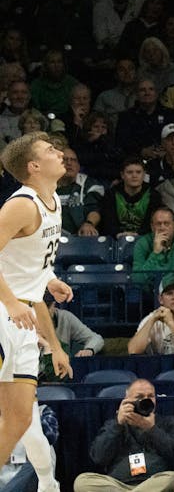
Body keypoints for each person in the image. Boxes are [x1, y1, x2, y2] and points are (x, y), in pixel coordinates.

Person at [0, 132, 74, 473]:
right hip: (6, 310)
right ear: (34, 166)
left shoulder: (53, 200)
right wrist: (11, 302)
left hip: (23, 318)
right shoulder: (22, 205)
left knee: (19, 418)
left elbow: (32, 264)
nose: (59, 153)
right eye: (50, 150)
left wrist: (49, 280)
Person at [73, 378, 174, 491]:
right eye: (139, 397)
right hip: (118, 485)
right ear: (127, 400)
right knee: (82, 481)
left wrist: (152, 429)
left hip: (155, 482)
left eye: (150, 396)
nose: (146, 400)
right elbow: (99, 458)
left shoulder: (171, 422)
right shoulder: (113, 424)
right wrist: (118, 425)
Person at [131, 207, 174, 291]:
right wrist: (155, 253)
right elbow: (137, 280)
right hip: (150, 294)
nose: (162, 228)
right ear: (152, 227)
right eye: (158, 224)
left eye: (167, 223)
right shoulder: (142, 244)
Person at [0, 403, 58, 492]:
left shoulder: (42, 411)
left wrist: (15, 456)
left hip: (29, 470)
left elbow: (50, 437)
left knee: (41, 454)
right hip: (5, 476)